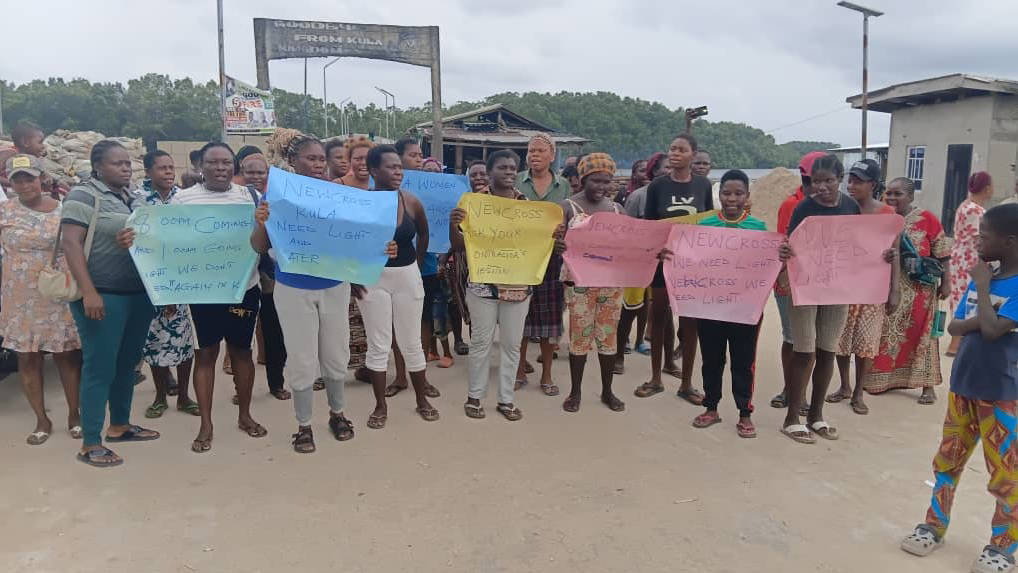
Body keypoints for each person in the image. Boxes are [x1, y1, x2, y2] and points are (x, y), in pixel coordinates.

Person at [900, 204, 1018, 573]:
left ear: (1010, 242)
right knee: (947, 461)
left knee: (1006, 474)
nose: (977, 241)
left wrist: (983, 291)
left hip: (1002, 394)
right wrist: (985, 317)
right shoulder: (986, 277)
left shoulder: (1001, 282)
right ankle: (933, 526)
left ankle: (1002, 547)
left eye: (985, 236)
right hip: (963, 385)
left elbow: (994, 330)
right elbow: (955, 326)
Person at [250, 136, 362, 453]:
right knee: (301, 358)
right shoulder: (276, 197)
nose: (317, 164)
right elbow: (258, 246)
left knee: (336, 355)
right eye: (310, 158)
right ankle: (304, 425)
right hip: (293, 288)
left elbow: (354, 237)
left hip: (333, 285)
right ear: (293, 161)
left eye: (320, 158)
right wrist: (262, 223)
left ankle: (338, 414)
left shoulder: (338, 195)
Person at [63, 140, 159, 467]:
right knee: (100, 366)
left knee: (127, 363)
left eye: (127, 162)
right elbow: (71, 244)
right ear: (97, 166)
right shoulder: (83, 195)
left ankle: (119, 425)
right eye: (117, 163)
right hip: (103, 294)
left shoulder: (133, 198)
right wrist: (88, 292)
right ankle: (90, 442)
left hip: (138, 294)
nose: (125, 168)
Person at [450, 149, 563, 421]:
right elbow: (459, 247)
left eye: (513, 167)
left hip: (518, 289)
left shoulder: (527, 206)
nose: (509, 172)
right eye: (503, 167)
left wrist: (554, 240)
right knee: (481, 343)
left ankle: (506, 399)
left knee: (512, 346)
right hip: (482, 286)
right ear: (489, 173)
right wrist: (453, 226)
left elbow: (539, 246)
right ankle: (474, 397)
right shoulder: (474, 204)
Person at [170, 142, 267, 453]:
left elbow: (262, 244)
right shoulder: (183, 199)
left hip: (243, 291)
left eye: (227, 162)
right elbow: (168, 240)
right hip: (203, 294)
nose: (221, 167)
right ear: (201, 165)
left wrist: (262, 222)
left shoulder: (250, 197)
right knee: (206, 355)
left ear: (234, 166)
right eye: (213, 162)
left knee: (242, 352)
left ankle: (245, 415)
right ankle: (206, 424)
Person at [778, 154, 866, 444]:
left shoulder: (851, 206)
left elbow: (859, 244)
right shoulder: (804, 207)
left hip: (836, 288)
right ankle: (792, 418)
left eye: (828, 180)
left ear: (840, 179)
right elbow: (792, 243)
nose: (822, 187)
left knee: (827, 350)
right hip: (806, 287)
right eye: (816, 181)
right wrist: (785, 253)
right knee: (804, 351)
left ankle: (816, 416)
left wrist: (883, 256)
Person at [0, 154, 82, 445]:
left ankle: (74, 415)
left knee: (66, 355)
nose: (24, 185)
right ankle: (42, 420)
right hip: (18, 296)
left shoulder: (64, 209)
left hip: (56, 293)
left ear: (42, 179)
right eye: (17, 180)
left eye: (30, 178)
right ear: (10, 183)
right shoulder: (4, 211)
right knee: (27, 358)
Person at [357, 145, 440, 429]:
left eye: (399, 167)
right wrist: (355, 276)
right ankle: (380, 406)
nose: (397, 172)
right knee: (378, 344)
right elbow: (349, 242)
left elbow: (424, 233)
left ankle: (421, 400)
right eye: (390, 167)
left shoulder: (411, 201)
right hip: (372, 280)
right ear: (373, 170)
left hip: (406, 277)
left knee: (411, 342)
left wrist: (416, 264)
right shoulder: (361, 203)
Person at [634, 134, 714, 404]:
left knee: (690, 322)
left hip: (692, 265)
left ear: (693, 154)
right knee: (658, 318)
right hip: (663, 263)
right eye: (672, 149)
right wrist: (657, 250)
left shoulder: (703, 186)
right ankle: (655, 378)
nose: (675, 153)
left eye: (682, 149)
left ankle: (687, 384)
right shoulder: (657, 186)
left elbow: (709, 224)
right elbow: (649, 227)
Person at [684, 170, 764, 438]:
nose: (732, 198)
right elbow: (689, 259)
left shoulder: (758, 228)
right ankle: (711, 408)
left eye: (738, 193)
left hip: (744, 309)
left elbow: (764, 266)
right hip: (710, 307)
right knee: (711, 359)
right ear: (719, 195)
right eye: (727, 193)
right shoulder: (704, 226)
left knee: (743, 361)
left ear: (747, 196)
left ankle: (744, 412)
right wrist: (672, 256)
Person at [866, 177, 951, 404]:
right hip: (888, 286)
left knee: (922, 335)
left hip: (920, 289)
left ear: (911, 196)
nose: (892, 198)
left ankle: (927, 386)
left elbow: (943, 253)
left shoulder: (927, 219)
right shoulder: (882, 218)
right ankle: (882, 380)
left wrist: (947, 282)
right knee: (886, 334)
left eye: (898, 194)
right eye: (889, 193)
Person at [825, 160, 898, 416]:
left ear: (873, 185)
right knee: (841, 338)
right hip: (844, 284)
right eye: (851, 180)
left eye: (859, 181)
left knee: (867, 341)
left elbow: (894, 252)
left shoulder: (887, 214)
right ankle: (844, 385)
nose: (852, 185)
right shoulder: (842, 208)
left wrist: (894, 289)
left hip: (873, 287)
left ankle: (858, 392)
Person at [559, 153, 626, 413]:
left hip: (611, 283)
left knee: (608, 338)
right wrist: (558, 244)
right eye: (596, 180)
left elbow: (630, 244)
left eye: (606, 181)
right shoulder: (568, 207)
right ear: (583, 179)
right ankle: (575, 392)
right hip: (579, 283)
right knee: (579, 337)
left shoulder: (617, 209)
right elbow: (554, 242)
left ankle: (608, 391)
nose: (602, 186)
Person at [136, 150, 198, 420]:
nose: (169, 172)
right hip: (149, 281)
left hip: (180, 279)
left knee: (184, 340)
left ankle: (184, 397)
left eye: (171, 167)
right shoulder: (137, 199)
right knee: (154, 342)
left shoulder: (182, 198)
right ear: (148, 171)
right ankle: (160, 397)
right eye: (162, 168)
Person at [769, 151, 827, 412]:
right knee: (793, 338)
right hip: (792, 281)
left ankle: (799, 391)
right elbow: (786, 242)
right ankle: (791, 390)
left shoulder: (835, 205)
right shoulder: (792, 205)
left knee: (811, 341)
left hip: (822, 283)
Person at [515, 134, 572, 396]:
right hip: (521, 258)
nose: (534, 155)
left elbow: (572, 220)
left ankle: (547, 374)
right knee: (519, 316)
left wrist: (563, 236)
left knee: (551, 318)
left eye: (540, 151)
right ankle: (519, 371)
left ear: (552, 155)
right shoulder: (517, 181)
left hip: (552, 259)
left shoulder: (564, 186)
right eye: (530, 151)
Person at [614, 154, 671, 376]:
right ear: (654, 171)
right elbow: (627, 229)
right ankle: (619, 354)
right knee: (630, 308)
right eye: (666, 167)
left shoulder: (674, 196)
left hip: (665, 263)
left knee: (660, 310)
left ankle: (656, 353)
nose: (670, 171)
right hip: (638, 261)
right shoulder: (638, 196)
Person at [239, 152, 288, 400]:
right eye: (251, 172)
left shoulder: (276, 199)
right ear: (242, 172)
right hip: (241, 276)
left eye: (261, 172)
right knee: (241, 336)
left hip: (269, 275)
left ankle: (276, 383)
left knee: (273, 331)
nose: (256, 176)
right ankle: (241, 388)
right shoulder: (235, 199)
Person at [338, 137, 374, 382]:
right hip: (344, 264)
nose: (363, 163)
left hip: (373, 263)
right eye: (357, 158)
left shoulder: (379, 188)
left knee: (371, 319)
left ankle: (369, 367)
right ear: (349, 161)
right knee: (343, 320)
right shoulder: (337, 187)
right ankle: (332, 371)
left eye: (367, 158)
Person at [947, 171, 993, 356]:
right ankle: (956, 344)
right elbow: (981, 237)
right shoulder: (976, 210)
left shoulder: (965, 205)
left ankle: (956, 343)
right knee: (969, 298)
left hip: (959, 257)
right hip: (970, 259)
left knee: (960, 296)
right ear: (987, 189)